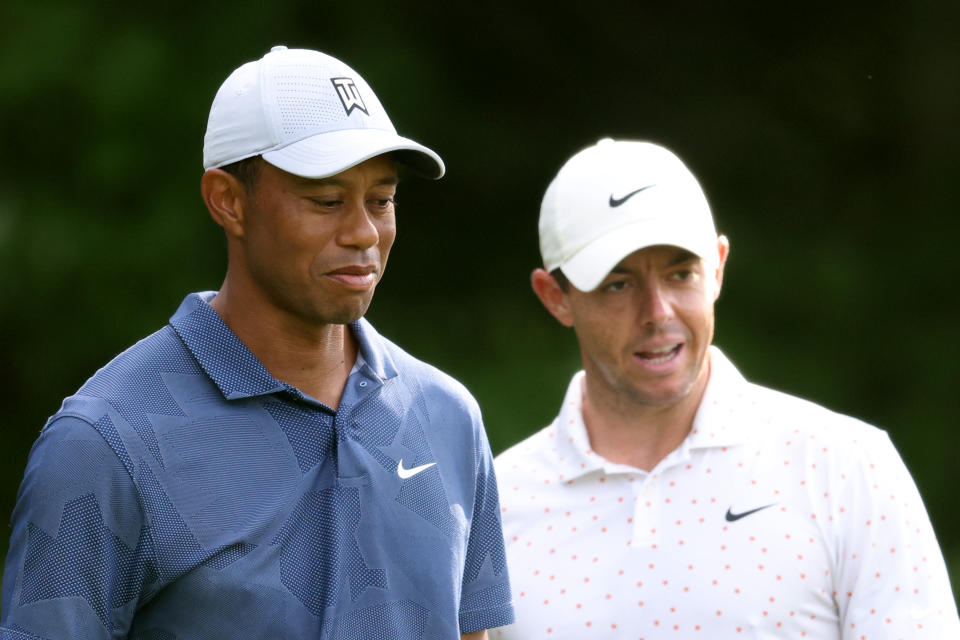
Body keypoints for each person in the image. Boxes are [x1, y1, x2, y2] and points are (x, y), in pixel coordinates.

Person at [1, 46, 513, 639]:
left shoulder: (446, 415)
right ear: (228, 202)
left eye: (381, 200)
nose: (364, 233)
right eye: (326, 201)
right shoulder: (103, 445)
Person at [491, 138, 959, 638]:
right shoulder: (493, 503)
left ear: (717, 267)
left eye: (681, 274)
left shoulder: (844, 466)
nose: (658, 312)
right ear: (555, 297)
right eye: (618, 284)